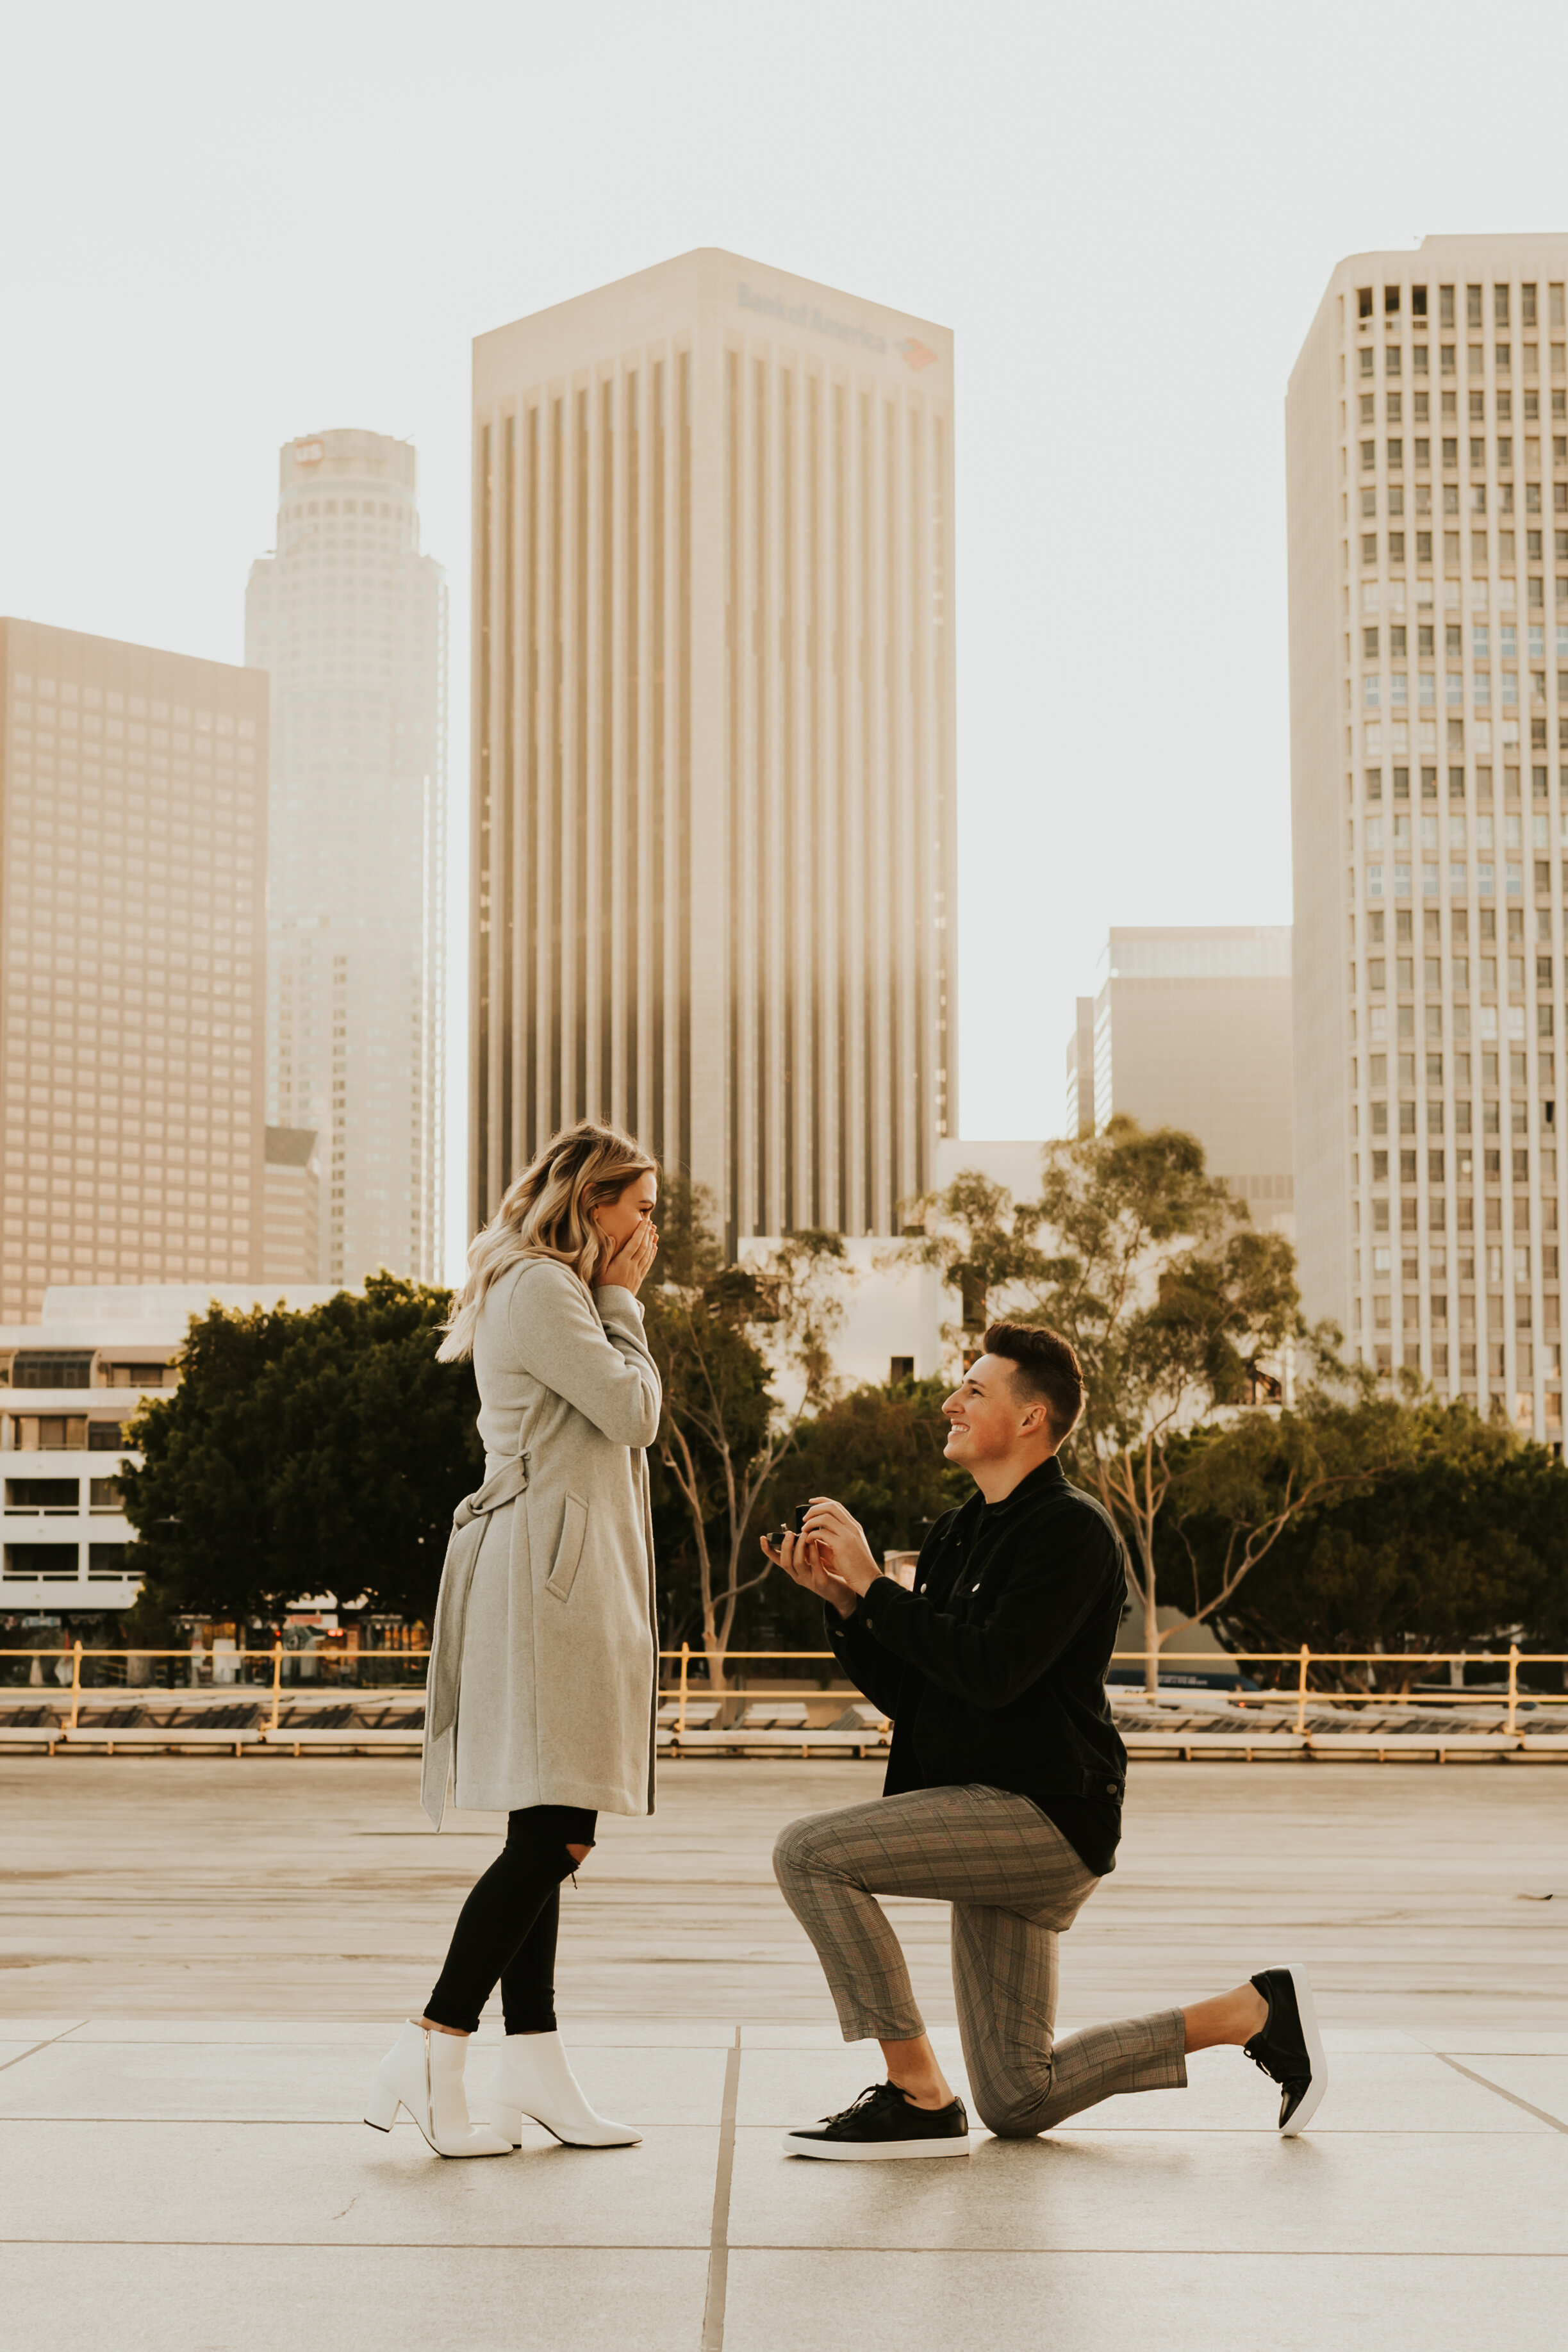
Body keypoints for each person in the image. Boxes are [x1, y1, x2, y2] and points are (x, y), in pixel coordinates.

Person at [766, 1321, 1326, 2160]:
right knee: (1020, 2097)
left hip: (1045, 1813)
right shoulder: (958, 1531)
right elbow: (921, 1689)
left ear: (1030, 1419)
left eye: (974, 1390)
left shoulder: (1073, 1532)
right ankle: (1256, 2010)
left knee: (809, 1853)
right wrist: (848, 1603)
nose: (951, 1401)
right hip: (981, 1813)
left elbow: (993, 1669)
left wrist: (878, 1582)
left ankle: (918, 2091)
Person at [366, 1120, 663, 2158]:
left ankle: (532, 2066)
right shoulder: (546, 1288)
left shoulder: (546, 1287)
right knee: (557, 1834)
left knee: (545, 1828)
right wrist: (624, 1299)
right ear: (592, 1204)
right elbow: (632, 1411)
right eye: (640, 1206)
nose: (649, 1228)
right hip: (546, 1581)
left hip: (551, 1571)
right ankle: (434, 2038)